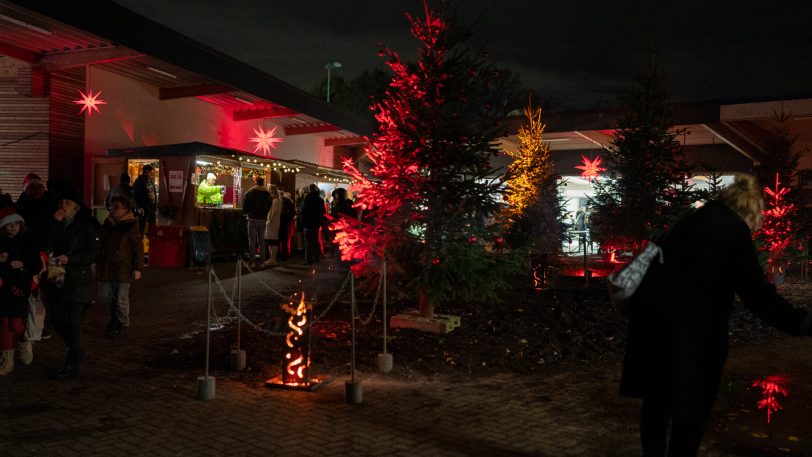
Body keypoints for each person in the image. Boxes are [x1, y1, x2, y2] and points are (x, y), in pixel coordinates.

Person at [620, 173, 812, 457]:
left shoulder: (688, 222)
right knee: (689, 417)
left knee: (656, 409)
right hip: (694, 340)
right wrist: (801, 322)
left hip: (651, 331)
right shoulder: (733, 231)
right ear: (749, 211)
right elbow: (756, 295)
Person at [43, 186, 100, 380]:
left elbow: (93, 252)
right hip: (57, 277)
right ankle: (77, 349)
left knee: (73, 321)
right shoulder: (55, 222)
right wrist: (54, 223)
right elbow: (44, 243)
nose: (63, 206)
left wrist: (72, 259)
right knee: (57, 319)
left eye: (67, 202)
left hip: (78, 278)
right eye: (61, 202)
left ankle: (71, 363)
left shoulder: (86, 224)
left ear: (76, 205)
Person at [0, 207, 41, 375]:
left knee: (15, 324)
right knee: (3, 324)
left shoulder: (27, 241)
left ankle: (25, 340)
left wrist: (23, 264)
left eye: (16, 224)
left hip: (19, 289)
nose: (13, 227)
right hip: (2, 289)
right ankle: (7, 360)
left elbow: (37, 265)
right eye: (9, 224)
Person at [98, 195, 143, 338]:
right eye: (112, 206)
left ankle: (122, 323)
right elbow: (101, 242)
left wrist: (137, 268)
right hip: (107, 267)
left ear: (125, 209)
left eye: (117, 207)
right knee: (105, 296)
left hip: (123, 268)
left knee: (121, 298)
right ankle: (115, 318)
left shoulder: (131, 225)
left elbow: (137, 247)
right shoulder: (108, 224)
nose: (113, 210)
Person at [15, 172, 57, 250]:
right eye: (33, 187)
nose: (37, 190)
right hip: (27, 241)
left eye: (39, 187)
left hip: (49, 240)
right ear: (26, 190)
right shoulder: (21, 202)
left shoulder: (51, 200)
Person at [241, 177, 271, 266]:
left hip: (252, 219)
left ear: (256, 182)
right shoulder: (267, 194)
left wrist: (246, 213)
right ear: (263, 183)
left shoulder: (251, 192)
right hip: (263, 220)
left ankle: (252, 262)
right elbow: (269, 205)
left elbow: (245, 204)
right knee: (262, 241)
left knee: (252, 241)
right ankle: (262, 262)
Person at [300, 184, 326, 264]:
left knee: (308, 242)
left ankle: (308, 259)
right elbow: (323, 213)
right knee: (315, 240)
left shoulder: (307, 198)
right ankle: (316, 258)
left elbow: (304, 211)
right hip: (316, 223)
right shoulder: (320, 200)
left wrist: (302, 221)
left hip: (308, 223)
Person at [132, 165, 157, 236]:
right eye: (150, 172)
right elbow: (135, 196)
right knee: (142, 226)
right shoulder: (139, 181)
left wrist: (155, 206)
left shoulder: (150, 180)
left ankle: (152, 241)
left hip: (151, 208)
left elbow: (153, 193)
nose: (151, 174)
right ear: (145, 172)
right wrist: (139, 207)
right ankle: (141, 242)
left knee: (152, 226)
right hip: (143, 208)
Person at [261, 186, 282, 268]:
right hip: (272, 223)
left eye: (269, 190)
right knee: (271, 240)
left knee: (273, 240)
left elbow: (274, 212)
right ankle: (272, 259)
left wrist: (270, 220)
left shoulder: (276, 200)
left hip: (272, 223)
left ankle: (272, 259)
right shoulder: (274, 200)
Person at [278, 191, 295, 261]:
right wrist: (288, 220)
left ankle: (277, 255)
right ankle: (284, 255)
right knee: (284, 239)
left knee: (278, 239)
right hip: (285, 223)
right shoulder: (287, 201)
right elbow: (293, 212)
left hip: (278, 222)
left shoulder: (277, 200)